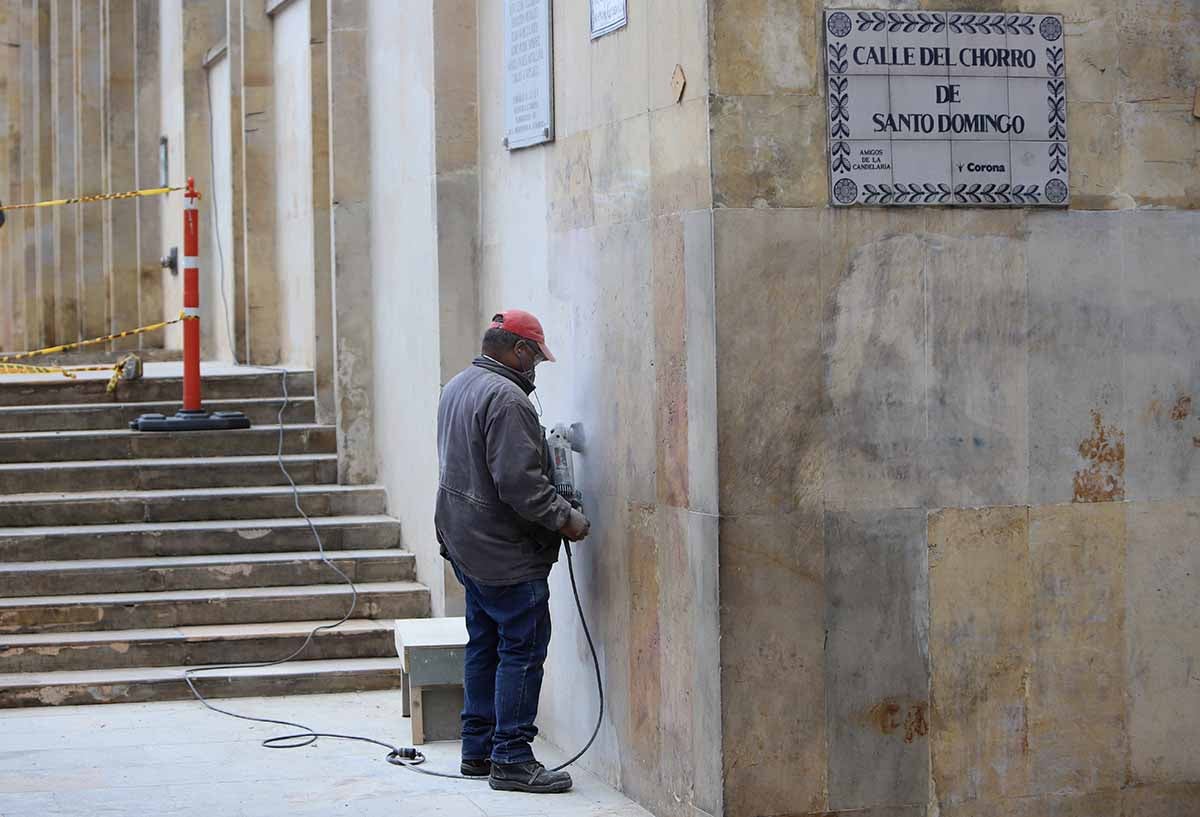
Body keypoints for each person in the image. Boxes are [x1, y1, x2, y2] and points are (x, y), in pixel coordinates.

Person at [435, 309, 591, 794]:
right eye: (535, 360)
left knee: (484, 644)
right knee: (522, 649)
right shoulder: (507, 400)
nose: (535, 371)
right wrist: (567, 519)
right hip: (502, 552)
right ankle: (512, 758)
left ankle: (477, 750)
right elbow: (519, 486)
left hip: (465, 543)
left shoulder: (459, 385)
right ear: (518, 350)